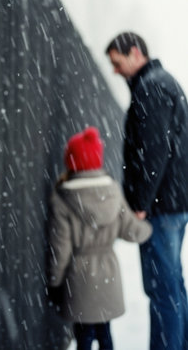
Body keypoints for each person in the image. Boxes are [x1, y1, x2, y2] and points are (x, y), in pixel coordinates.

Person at [105, 31, 188, 350]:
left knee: (162, 292)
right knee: (173, 287)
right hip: (174, 203)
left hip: (161, 208)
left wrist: (140, 202)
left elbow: (154, 151)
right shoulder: (162, 82)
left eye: (117, 62)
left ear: (136, 53)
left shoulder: (151, 87)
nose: (115, 70)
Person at [47, 126, 152, 350]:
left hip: (79, 278)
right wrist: (149, 228)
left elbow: (61, 249)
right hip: (108, 275)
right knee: (105, 335)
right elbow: (131, 230)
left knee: (83, 337)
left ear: (71, 161)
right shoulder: (112, 191)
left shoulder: (62, 198)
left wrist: (55, 282)